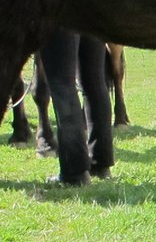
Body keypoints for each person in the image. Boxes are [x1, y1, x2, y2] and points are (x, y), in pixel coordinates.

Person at [38, 28, 115, 185]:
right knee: (94, 81)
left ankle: (75, 173)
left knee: (62, 84)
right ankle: (100, 163)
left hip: (60, 17)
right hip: (93, 15)